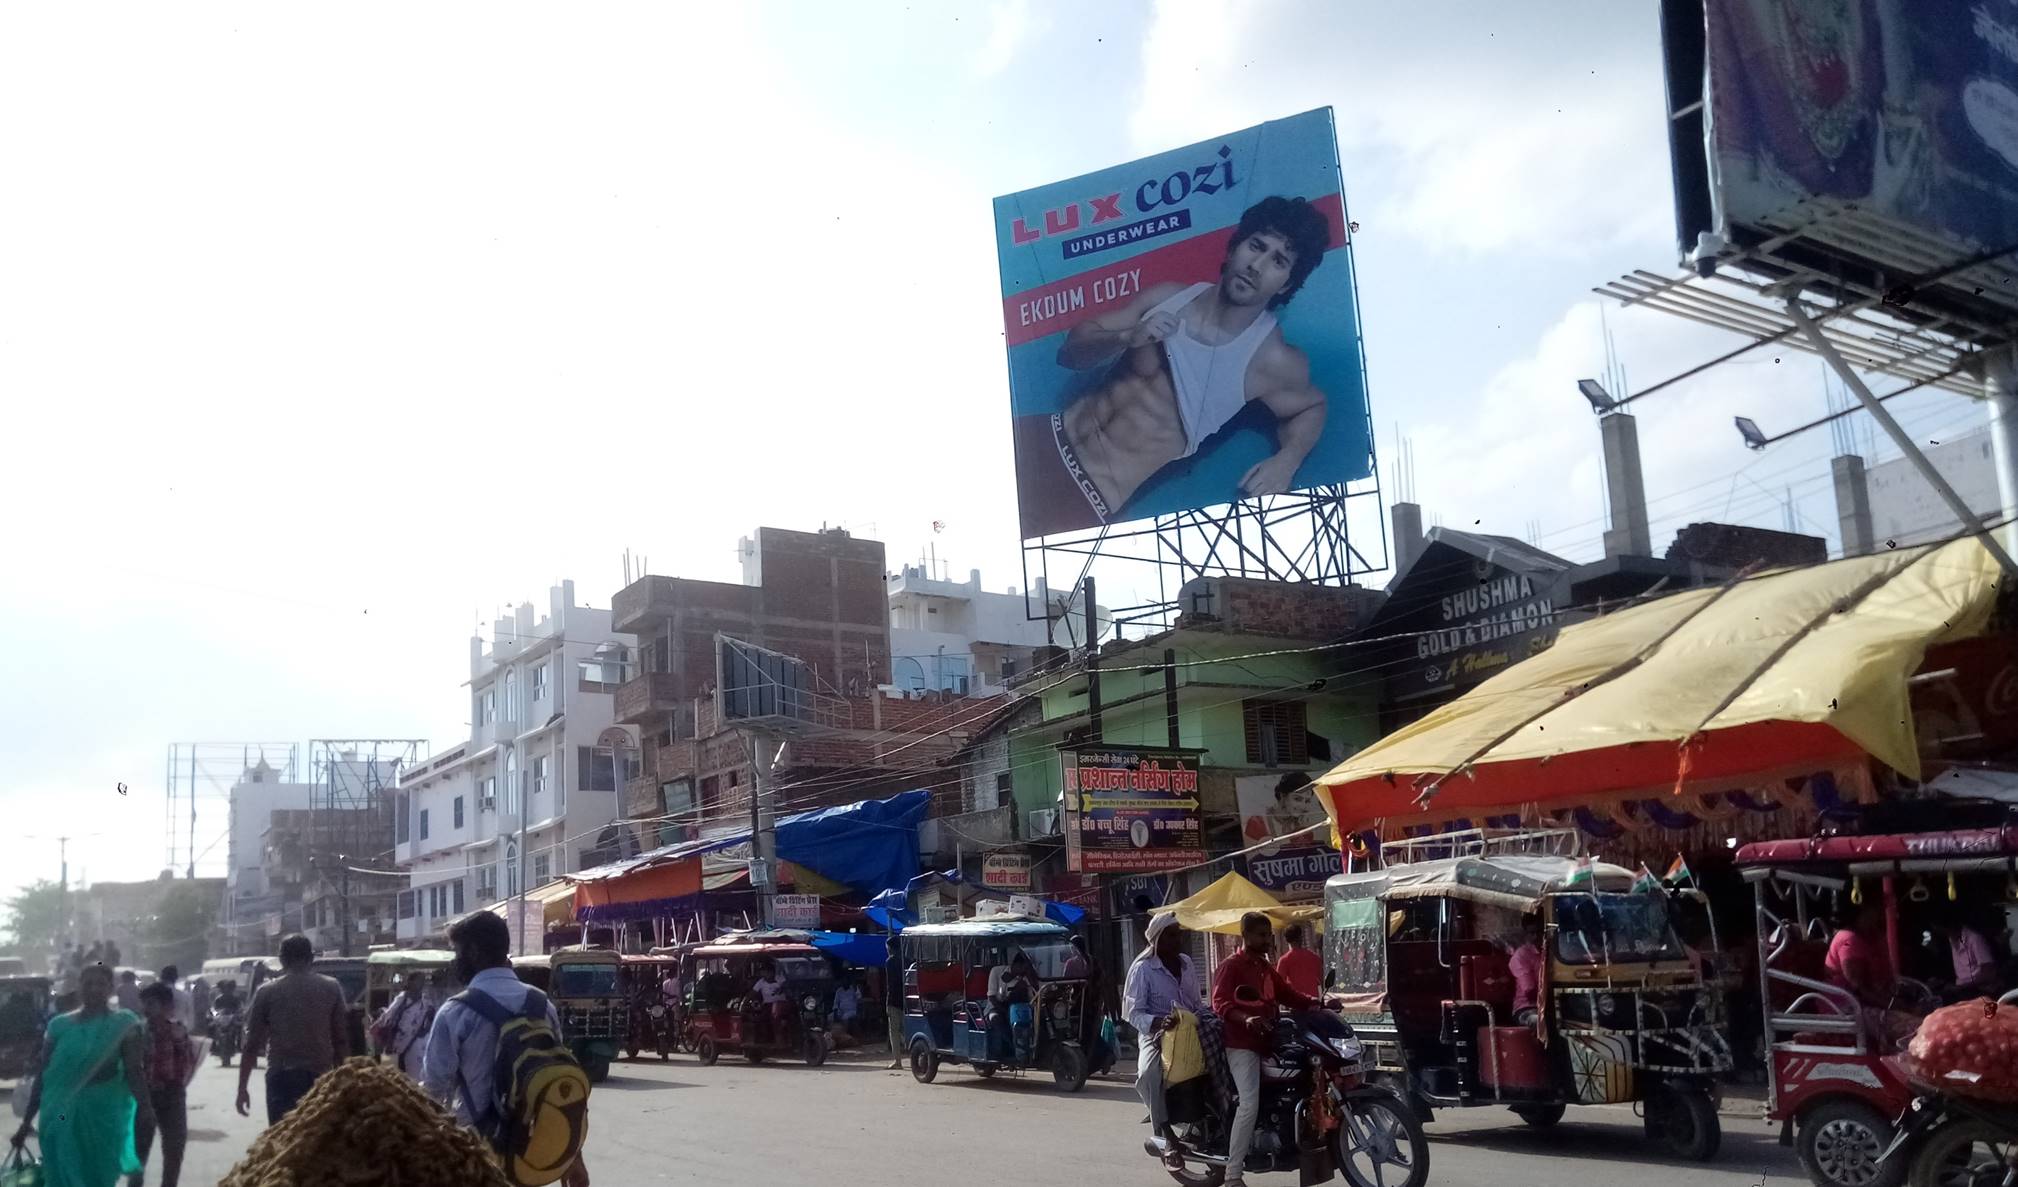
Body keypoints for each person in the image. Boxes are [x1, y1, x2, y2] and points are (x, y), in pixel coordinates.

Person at [1012, 195, 1334, 538]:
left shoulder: (1272, 358)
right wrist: (1124, 337)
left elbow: (1312, 406)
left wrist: (1288, 460)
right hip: (1041, 437)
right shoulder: (1168, 297)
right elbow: (1070, 353)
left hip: (1088, 496)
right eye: (1256, 246)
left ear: (1285, 283)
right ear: (1234, 247)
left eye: (1279, 261)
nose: (1257, 265)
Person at [422, 911, 590, 1187]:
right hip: (528, 1149)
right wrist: (574, 1158)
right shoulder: (541, 1005)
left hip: (475, 1153)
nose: (456, 961)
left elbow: (432, 1093)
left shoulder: (455, 1012)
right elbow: (555, 1073)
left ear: (474, 952)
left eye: (458, 952)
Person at [9, 962, 153, 1186]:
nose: (94, 989)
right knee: (64, 1167)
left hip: (103, 1114)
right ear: (79, 987)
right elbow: (44, 1074)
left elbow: (134, 1071)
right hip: (60, 1112)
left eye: (101, 984)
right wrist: (26, 1121)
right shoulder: (59, 1026)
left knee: (98, 1175)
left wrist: (145, 1107)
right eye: (88, 983)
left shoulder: (124, 1025)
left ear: (111, 988)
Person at [1214, 912, 1323, 1187]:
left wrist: (1318, 1004)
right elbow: (1220, 1003)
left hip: (1269, 1041)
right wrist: (1246, 1018)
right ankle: (1232, 1175)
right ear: (1246, 936)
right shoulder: (1232, 966)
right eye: (1261, 935)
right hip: (1241, 1045)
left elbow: (1288, 994)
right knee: (1249, 1104)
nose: (1266, 939)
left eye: (1268, 934)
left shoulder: (1264, 966)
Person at [235, 934, 350, 1125]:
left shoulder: (267, 991)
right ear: (311, 958)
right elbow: (341, 1040)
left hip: (281, 1078)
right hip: (320, 1077)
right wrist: (346, 1082)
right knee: (315, 1142)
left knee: (282, 1142)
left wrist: (242, 1089)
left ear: (282, 960)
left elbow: (252, 1045)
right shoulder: (331, 987)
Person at [1123, 913, 1203, 1170]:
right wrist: (1160, 1023)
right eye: (1171, 935)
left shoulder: (1187, 963)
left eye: (1178, 933)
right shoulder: (1142, 968)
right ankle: (1166, 1136)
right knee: (1149, 1072)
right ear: (1157, 939)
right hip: (1156, 1034)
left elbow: (1196, 1003)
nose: (1178, 939)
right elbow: (1132, 1013)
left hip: (1190, 1028)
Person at [131, 981, 195, 1187]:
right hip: (144, 1096)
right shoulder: (137, 1032)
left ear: (167, 1006)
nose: (147, 1009)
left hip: (173, 1095)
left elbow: (187, 1063)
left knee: (174, 1151)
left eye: (152, 1003)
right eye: (145, 1004)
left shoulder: (178, 1031)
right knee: (139, 1153)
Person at [371, 973, 437, 1081]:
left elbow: (431, 1021)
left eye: (422, 981)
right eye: (418, 980)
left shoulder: (426, 1003)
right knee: (389, 1080)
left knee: (413, 1081)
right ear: (410, 982)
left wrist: (424, 1031)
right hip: (393, 1045)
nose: (421, 984)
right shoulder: (402, 998)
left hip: (414, 1047)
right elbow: (388, 1017)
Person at [1941, 913, 2001, 1000]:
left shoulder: (1975, 939)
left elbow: (1988, 973)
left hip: (1980, 990)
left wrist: (1963, 986)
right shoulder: (1952, 939)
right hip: (1964, 990)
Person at [1508, 915, 1545, 1026]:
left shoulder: (1553, 952)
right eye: (1532, 933)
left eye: (1540, 932)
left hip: (1551, 1005)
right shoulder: (1520, 956)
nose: (1536, 937)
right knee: (1539, 1020)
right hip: (1527, 1008)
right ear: (1525, 934)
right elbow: (1530, 992)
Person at [1276, 923, 1322, 1000]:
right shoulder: (1314, 957)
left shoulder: (1284, 960)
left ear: (1286, 940)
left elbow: (1278, 985)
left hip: (1295, 1002)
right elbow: (1320, 980)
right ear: (1301, 937)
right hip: (1313, 1002)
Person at [750, 961, 789, 1043]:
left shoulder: (779, 978)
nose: (764, 974)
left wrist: (781, 988)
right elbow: (752, 993)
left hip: (782, 1004)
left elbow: (786, 986)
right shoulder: (761, 982)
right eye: (762, 972)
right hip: (767, 1005)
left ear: (772, 971)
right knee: (760, 1019)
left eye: (766, 971)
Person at [157, 967, 194, 1032]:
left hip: (159, 1033)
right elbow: (191, 1018)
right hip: (179, 1032)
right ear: (176, 978)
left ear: (161, 978)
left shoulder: (155, 995)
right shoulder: (185, 996)